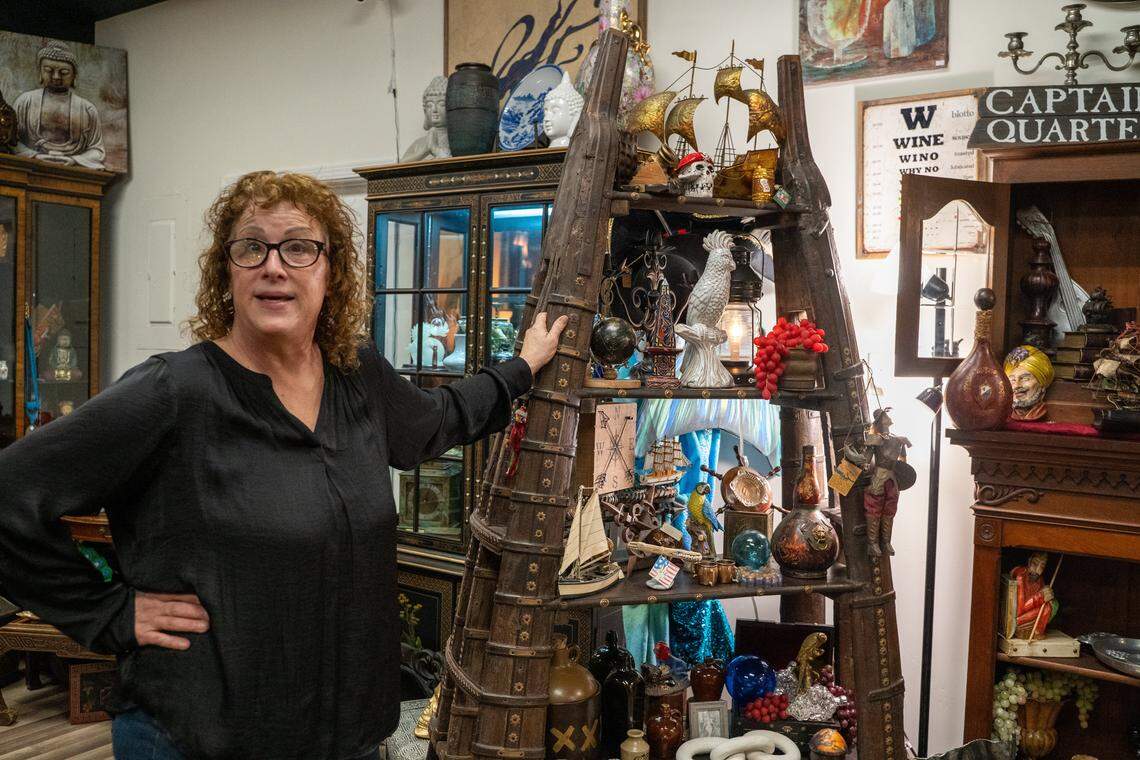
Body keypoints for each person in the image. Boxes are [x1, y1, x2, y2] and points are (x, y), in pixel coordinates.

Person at [0, 170, 567, 759]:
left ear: (330, 271)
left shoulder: (358, 376)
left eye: (299, 247)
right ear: (228, 271)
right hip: (206, 735)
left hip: (347, 735)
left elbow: (440, 418)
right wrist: (110, 610)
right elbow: (9, 494)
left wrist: (519, 370)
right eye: (252, 247)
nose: (275, 266)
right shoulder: (174, 392)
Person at [14, 41, 106, 169]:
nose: (56, 77)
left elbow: (98, 151)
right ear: (40, 72)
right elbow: (11, 142)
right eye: (48, 70)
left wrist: (74, 160)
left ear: (74, 76)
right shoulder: (25, 102)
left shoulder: (87, 109)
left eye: (64, 72)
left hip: (74, 175)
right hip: (28, 169)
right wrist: (34, 155)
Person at [1012, 552, 1058, 639]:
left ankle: (1036, 632)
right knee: (1047, 608)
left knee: (1052, 605)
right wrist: (1041, 596)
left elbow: (1043, 600)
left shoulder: (1039, 579)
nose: (1038, 570)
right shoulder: (1021, 577)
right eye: (1035, 564)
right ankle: (1036, 632)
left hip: (1031, 615)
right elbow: (1020, 610)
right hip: (1018, 619)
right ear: (1029, 561)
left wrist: (1048, 597)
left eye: (1042, 566)